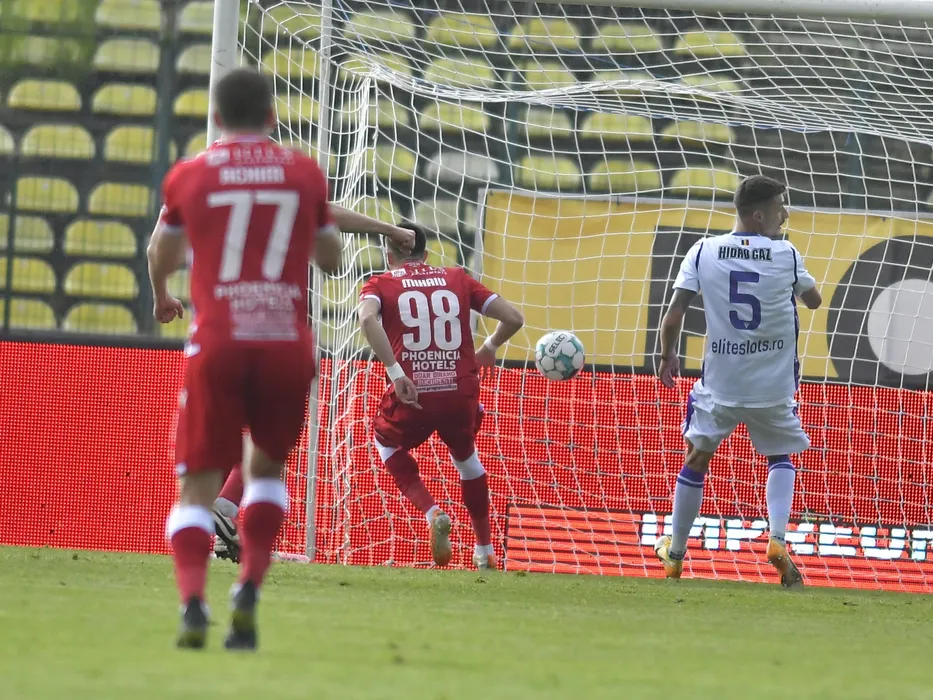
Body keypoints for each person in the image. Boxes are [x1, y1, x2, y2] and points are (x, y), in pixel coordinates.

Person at [147, 67, 342, 650]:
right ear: (272, 117)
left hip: (219, 340)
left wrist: (161, 294)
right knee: (266, 473)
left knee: (196, 487)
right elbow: (331, 259)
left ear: (215, 117)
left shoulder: (191, 175)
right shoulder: (303, 173)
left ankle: (193, 602)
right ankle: (249, 587)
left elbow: (161, 251)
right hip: (285, 341)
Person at [209, 199, 418, 564]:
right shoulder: (283, 209)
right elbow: (325, 212)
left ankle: (222, 534)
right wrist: (388, 229)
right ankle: (223, 511)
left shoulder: (225, 209)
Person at [654, 175, 822, 587]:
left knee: (697, 459)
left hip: (722, 385)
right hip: (773, 386)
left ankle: (675, 555)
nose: (786, 214)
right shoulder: (786, 253)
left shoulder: (703, 250)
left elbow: (673, 314)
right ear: (760, 216)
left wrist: (668, 354)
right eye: (780, 207)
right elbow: (814, 301)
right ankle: (777, 540)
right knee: (780, 456)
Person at [357, 223, 524, 569]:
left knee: (385, 442)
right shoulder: (457, 277)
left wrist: (396, 373)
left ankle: (433, 512)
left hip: (414, 392)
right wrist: (490, 346)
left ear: (389, 256)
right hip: (459, 391)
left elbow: (367, 318)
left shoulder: (380, 284)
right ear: (426, 253)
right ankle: (485, 551)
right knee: (467, 459)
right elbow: (514, 318)